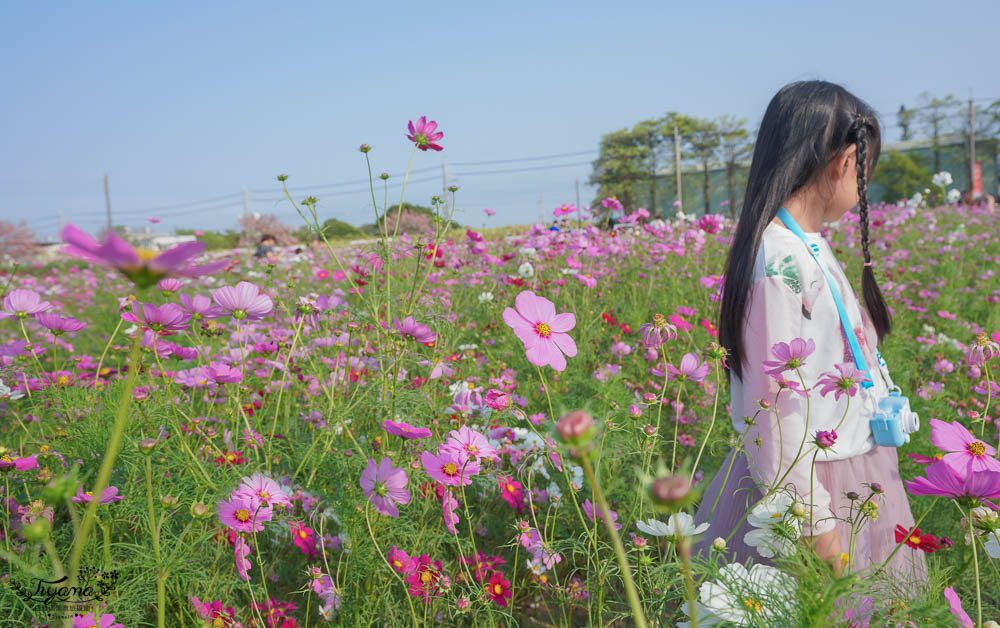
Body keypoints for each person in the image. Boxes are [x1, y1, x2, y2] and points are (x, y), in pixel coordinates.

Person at [693, 80, 926, 581]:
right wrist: (814, 523)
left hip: (846, 469)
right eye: (867, 169)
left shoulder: (804, 245)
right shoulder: (779, 259)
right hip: (811, 491)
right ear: (845, 160)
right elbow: (772, 410)